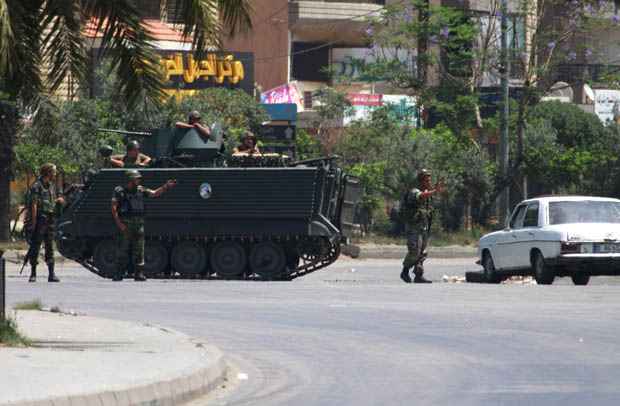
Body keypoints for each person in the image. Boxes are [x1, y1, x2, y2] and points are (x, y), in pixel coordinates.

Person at [111, 170, 177, 282]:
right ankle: (118, 273)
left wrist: (165, 186)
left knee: (139, 249)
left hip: (139, 223)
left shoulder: (141, 190)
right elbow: (113, 207)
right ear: (130, 179)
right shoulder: (120, 191)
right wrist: (119, 223)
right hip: (126, 223)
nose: (138, 180)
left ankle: (139, 273)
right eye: (136, 178)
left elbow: (154, 193)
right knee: (123, 249)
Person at [400, 169, 444, 284]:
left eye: (429, 180)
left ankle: (419, 275)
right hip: (413, 227)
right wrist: (434, 191)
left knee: (423, 252)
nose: (429, 182)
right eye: (427, 180)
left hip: (423, 226)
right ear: (421, 181)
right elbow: (420, 197)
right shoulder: (414, 191)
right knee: (414, 251)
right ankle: (404, 272)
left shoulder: (427, 193)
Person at [25, 163, 65, 283]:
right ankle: (33, 274)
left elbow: (51, 202)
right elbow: (34, 204)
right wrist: (34, 221)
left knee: (49, 246)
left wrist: (59, 201)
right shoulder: (37, 186)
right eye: (53, 171)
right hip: (40, 219)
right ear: (48, 172)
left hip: (50, 219)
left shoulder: (51, 186)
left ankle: (51, 274)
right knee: (36, 246)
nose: (55, 174)